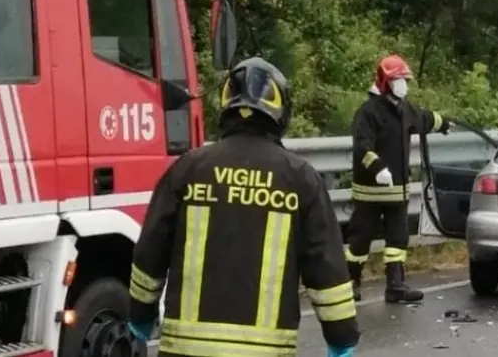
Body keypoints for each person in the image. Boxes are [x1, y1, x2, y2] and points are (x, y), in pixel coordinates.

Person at [126, 57, 360, 357]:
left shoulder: (187, 170)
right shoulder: (300, 179)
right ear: (281, 112)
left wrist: (140, 316)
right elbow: (325, 266)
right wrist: (341, 337)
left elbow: (150, 253)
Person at [346, 54, 450, 303]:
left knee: (397, 240)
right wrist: (378, 168)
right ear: (385, 82)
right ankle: (350, 284)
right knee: (360, 240)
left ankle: (395, 286)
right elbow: (362, 147)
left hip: (397, 193)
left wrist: (443, 123)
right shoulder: (368, 112)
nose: (403, 85)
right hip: (370, 193)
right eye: (398, 80)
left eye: (405, 80)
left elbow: (423, 119)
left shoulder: (403, 110)